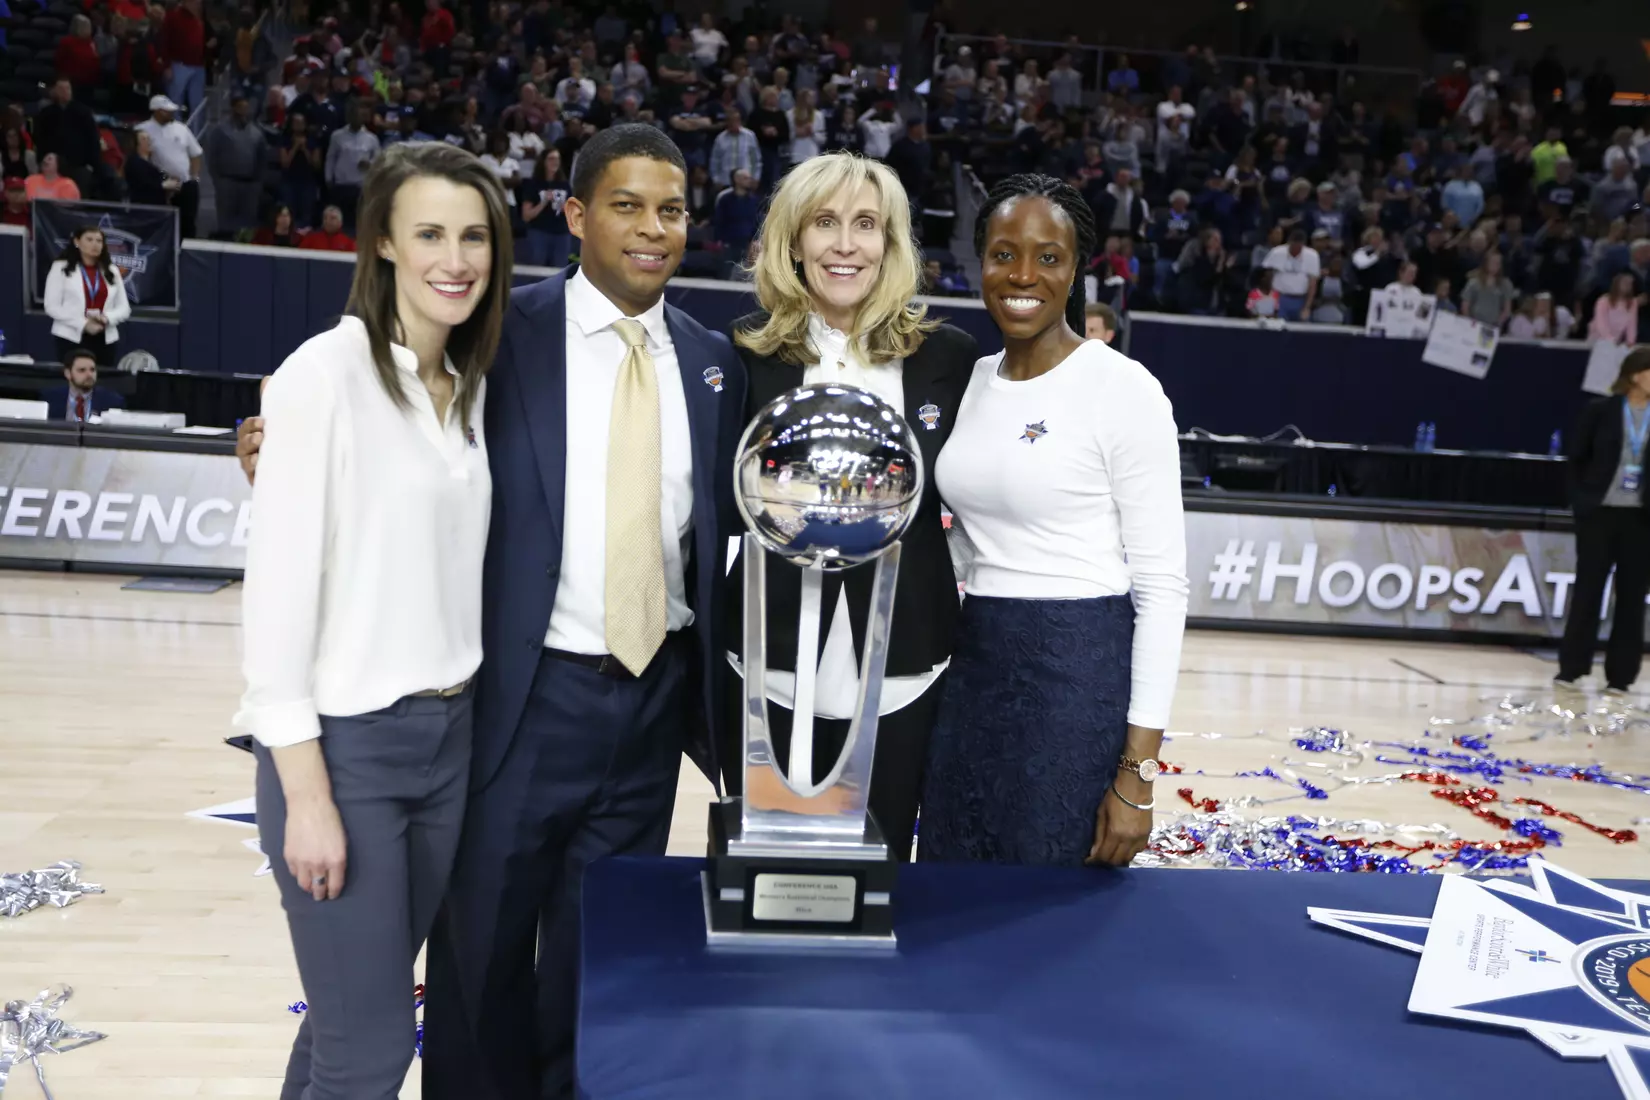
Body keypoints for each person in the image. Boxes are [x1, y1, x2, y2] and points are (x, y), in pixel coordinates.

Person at [235, 140, 511, 1100]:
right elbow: (274, 602)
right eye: (429, 232)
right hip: (345, 755)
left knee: (351, 1030)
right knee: (374, 1050)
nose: (456, 258)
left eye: (474, 236)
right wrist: (304, 795)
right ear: (384, 245)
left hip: (450, 743)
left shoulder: (470, 388)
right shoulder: (324, 374)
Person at [920, 174, 1188, 866]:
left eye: (1049, 257)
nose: (1024, 275)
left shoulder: (1122, 387)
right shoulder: (970, 380)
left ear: (1076, 271)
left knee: (1048, 898)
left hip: (1075, 670)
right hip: (974, 662)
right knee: (954, 876)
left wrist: (1138, 776)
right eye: (1004, 253)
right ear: (980, 264)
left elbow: (1163, 591)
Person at [723, 152, 978, 862]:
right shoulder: (743, 355)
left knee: (884, 865)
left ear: (891, 243)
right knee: (768, 874)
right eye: (825, 223)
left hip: (906, 665)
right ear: (792, 240)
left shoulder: (947, 358)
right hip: (765, 662)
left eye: (866, 224)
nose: (845, 244)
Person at [1557, 348, 1650, 694]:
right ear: (1636, 374)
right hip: (1599, 515)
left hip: (1641, 519)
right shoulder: (1601, 410)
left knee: (1631, 597)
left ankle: (1621, 675)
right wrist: (1581, 503)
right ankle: (1572, 667)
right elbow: (1577, 459)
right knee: (1588, 591)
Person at [43, 225, 131, 365]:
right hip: (70, 336)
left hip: (105, 337)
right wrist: (84, 324)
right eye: (89, 239)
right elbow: (51, 306)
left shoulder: (112, 270)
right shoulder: (60, 267)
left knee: (101, 381)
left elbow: (124, 308)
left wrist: (106, 318)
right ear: (77, 242)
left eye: (99, 240)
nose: (95, 244)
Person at [135, 94, 202, 237]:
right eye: (167, 110)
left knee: (188, 222)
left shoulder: (181, 128)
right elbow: (140, 156)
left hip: (185, 183)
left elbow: (195, 153)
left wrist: (194, 176)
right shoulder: (143, 130)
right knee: (160, 223)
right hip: (160, 186)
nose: (171, 113)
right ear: (157, 111)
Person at [518, 147, 572, 268]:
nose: (555, 162)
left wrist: (565, 208)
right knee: (537, 270)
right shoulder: (533, 184)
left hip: (561, 234)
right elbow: (526, 216)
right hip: (539, 232)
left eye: (557, 159)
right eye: (551, 159)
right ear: (543, 162)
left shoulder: (565, 185)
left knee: (559, 272)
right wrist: (543, 202)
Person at [43, 347, 125, 421]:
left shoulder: (112, 401)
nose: (89, 375)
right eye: (82, 370)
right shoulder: (50, 399)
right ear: (68, 373)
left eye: (92, 370)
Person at [1591, 272, 1639, 346]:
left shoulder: (1633, 303)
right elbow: (1601, 324)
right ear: (1617, 284)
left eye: (1630, 284)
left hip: (1616, 341)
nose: (1627, 286)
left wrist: (1630, 342)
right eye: (1625, 283)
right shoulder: (1603, 301)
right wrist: (1610, 340)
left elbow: (1632, 325)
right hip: (1598, 340)